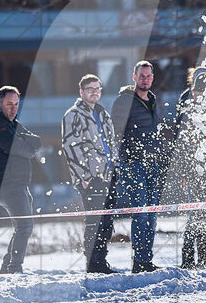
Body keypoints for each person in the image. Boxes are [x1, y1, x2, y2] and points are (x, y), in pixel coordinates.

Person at [111, 60, 170, 273]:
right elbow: (115, 133)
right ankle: (139, 262)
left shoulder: (154, 101)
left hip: (153, 165)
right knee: (141, 213)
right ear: (134, 77)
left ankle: (147, 260)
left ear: (152, 79)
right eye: (141, 76)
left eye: (148, 76)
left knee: (152, 214)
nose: (145, 79)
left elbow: (155, 134)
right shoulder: (123, 101)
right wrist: (126, 155)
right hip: (133, 164)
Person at [0, 86, 41, 274]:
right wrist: (24, 145)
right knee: (24, 226)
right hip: (6, 184)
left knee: (23, 226)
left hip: (19, 183)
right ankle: (13, 268)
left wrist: (25, 143)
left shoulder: (10, 123)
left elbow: (37, 141)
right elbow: (24, 149)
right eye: (9, 104)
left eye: (16, 104)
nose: (14, 109)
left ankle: (8, 267)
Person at [61, 74, 118, 273]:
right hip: (90, 177)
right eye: (90, 89)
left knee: (106, 222)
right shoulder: (73, 114)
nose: (94, 92)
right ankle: (93, 265)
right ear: (81, 92)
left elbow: (111, 143)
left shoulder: (103, 113)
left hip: (108, 174)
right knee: (94, 222)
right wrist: (84, 177)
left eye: (97, 88)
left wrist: (115, 167)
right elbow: (70, 147)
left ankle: (102, 262)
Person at [174, 66, 206, 269]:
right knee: (196, 214)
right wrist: (183, 171)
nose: (199, 97)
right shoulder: (185, 104)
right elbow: (180, 140)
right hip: (192, 168)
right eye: (197, 93)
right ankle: (188, 259)